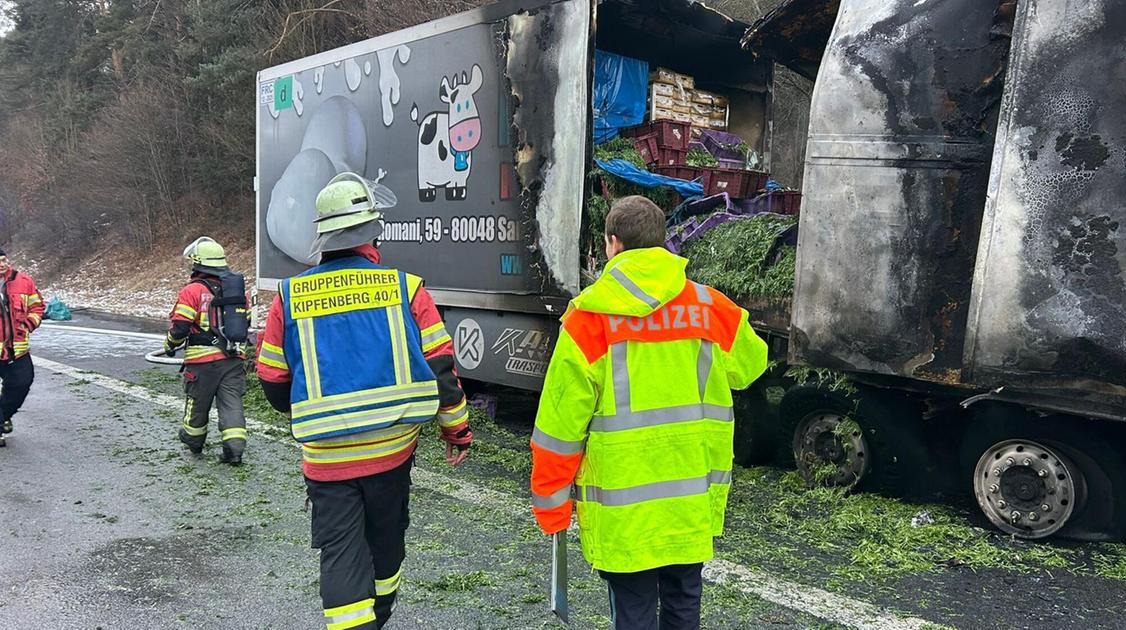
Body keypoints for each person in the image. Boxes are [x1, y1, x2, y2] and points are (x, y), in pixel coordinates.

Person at [529, 196, 768, 630]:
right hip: (690, 500)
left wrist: (551, 505)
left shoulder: (588, 317)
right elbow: (751, 367)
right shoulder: (710, 307)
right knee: (683, 604)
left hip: (624, 509)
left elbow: (558, 428)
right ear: (663, 243)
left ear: (612, 244)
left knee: (633, 610)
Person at [255, 172, 472, 629]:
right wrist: (457, 432)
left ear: (323, 238)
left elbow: (274, 383)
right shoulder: (406, 289)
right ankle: (381, 614)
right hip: (392, 456)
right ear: (373, 232)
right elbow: (442, 372)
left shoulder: (289, 297)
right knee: (386, 543)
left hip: (326, 462)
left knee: (339, 554)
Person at [164, 237, 249, 464]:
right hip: (233, 359)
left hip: (202, 362)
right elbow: (244, 323)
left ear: (198, 263)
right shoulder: (237, 291)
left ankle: (194, 442)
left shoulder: (191, 291)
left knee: (198, 404)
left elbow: (180, 326)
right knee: (232, 403)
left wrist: (170, 345)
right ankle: (235, 449)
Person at [0, 248, 44, 441]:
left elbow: (37, 306)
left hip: (17, 350)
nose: (2, 264)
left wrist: (28, 324)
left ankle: (4, 416)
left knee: (22, 384)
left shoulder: (24, 281)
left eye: (4, 260)